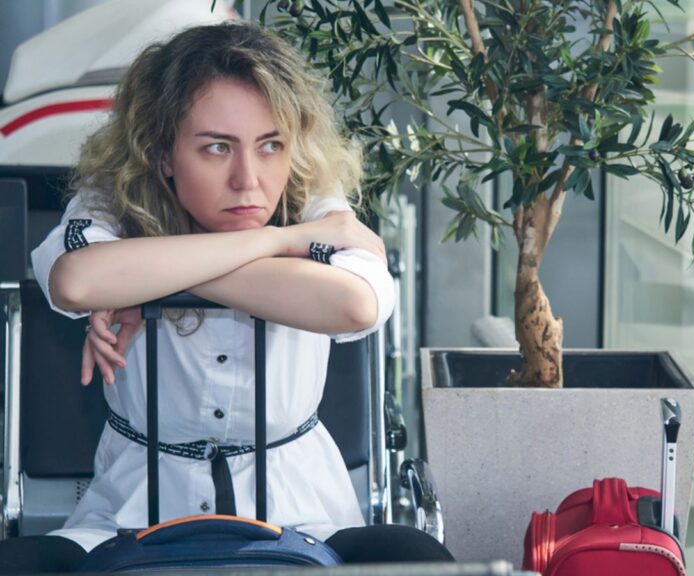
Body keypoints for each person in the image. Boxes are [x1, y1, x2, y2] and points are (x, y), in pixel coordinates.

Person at [0, 21, 451, 573]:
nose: (249, 180)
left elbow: (353, 304)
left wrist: (148, 276)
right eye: (217, 148)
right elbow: (77, 281)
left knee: (420, 559)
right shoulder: (109, 206)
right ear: (162, 153)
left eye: (270, 147)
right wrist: (277, 244)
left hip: (307, 519)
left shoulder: (318, 208)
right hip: (128, 517)